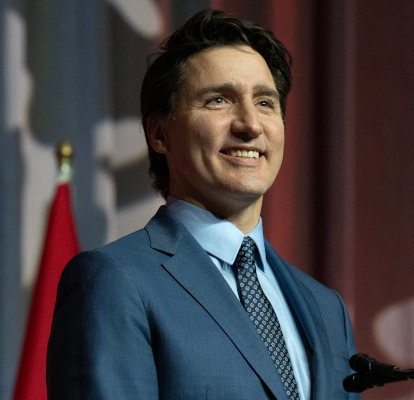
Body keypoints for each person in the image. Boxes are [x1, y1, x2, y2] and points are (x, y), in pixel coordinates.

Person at [46, 9, 359, 399]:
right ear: (160, 133)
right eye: (218, 100)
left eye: (265, 102)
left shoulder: (327, 309)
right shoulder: (114, 281)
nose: (250, 124)